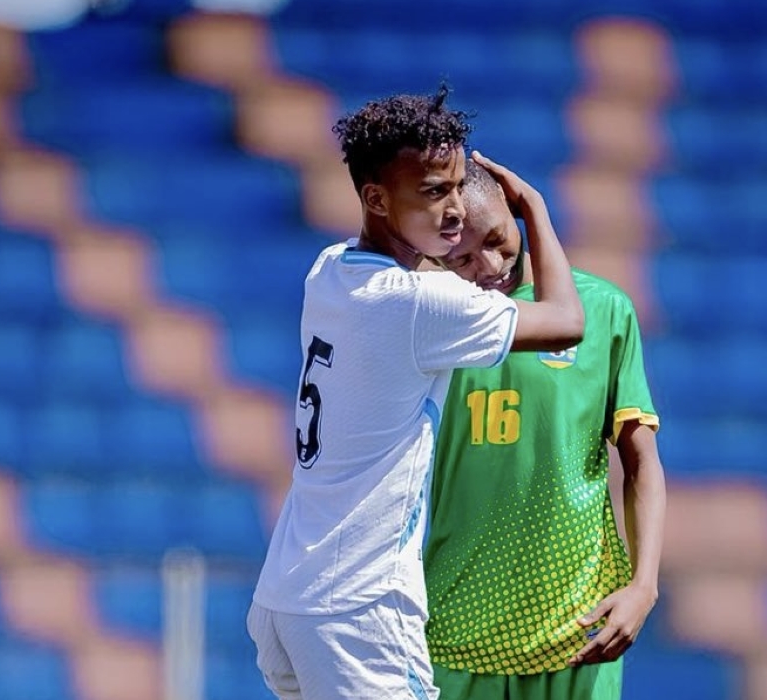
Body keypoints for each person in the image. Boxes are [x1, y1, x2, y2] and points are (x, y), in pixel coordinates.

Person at [247, 86, 585, 700]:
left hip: (288, 592)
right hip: (360, 603)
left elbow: (413, 274)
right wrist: (535, 209)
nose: (455, 210)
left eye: (458, 186)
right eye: (433, 192)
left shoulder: (330, 268)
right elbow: (565, 321)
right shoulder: (422, 305)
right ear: (376, 198)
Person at [423, 158, 668, 700]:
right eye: (463, 257)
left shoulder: (602, 310)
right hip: (453, 629)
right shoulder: (432, 325)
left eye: (498, 239)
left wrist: (643, 586)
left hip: (577, 630)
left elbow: (641, 463)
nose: (489, 265)